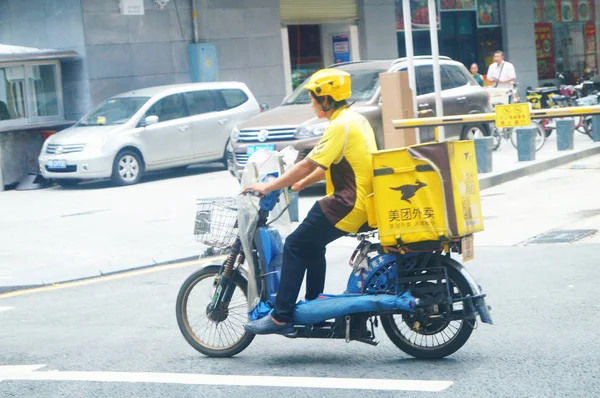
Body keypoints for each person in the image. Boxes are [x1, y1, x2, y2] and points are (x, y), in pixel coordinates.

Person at [242, 68, 378, 335]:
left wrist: (267, 186)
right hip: (362, 201)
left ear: (326, 100)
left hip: (348, 203)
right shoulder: (354, 120)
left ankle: (280, 317)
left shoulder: (339, 126)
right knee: (312, 245)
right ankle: (314, 305)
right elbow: (326, 164)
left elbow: (308, 163)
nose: (312, 103)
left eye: (314, 98)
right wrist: (299, 185)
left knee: (294, 244)